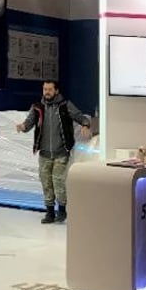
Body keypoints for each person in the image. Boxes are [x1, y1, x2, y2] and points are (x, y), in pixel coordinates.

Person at [16, 79, 91, 224]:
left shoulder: (65, 106)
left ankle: (62, 210)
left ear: (56, 91)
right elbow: (29, 123)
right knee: (46, 183)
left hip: (61, 153)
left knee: (58, 182)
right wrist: (23, 126)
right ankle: (49, 212)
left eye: (50, 89)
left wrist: (85, 125)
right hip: (44, 153)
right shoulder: (37, 108)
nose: (47, 92)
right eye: (45, 89)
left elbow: (80, 117)